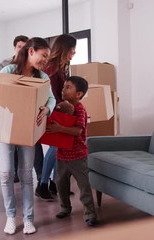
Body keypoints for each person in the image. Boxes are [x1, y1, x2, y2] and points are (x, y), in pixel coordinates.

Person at [0, 37, 56, 235]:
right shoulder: (9, 71)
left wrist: (47, 109)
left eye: (47, 57)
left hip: (27, 129)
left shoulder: (43, 77)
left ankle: (28, 219)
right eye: (43, 55)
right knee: (5, 174)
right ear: (31, 51)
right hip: (5, 129)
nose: (45, 60)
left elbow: (51, 98)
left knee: (26, 176)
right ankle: (11, 216)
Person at [46, 76, 99, 227]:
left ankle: (90, 213)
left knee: (84, 186)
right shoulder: (61, 107)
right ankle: (65, 208)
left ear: (79, 94)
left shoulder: (80, 109)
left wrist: (59, 128)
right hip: (62, 155)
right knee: (60, 184)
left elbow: (77, 131)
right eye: (63, 87)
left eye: (68, 87)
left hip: (77, 156)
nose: (63, 90)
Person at [36, 34, 77, 201]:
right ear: (64, 48)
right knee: (55, 148)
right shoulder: (52, 68)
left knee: (57, 148)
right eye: (72, 49)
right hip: (51, 110)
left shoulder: (61, 66)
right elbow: (50, 94)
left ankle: (52, 182)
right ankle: (43, 184)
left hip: (57, 110)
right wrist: (64, 105)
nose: (74, 52)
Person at [0, 35, 29, 183]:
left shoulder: (30, 66)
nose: (22, 49)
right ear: (15, 47)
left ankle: (38, 177)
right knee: (10, 145)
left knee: (28, 145)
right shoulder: (5, 65)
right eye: (19, 46)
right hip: (7, 109)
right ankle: (13, 173)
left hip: (24, 110)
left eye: (25, 47)